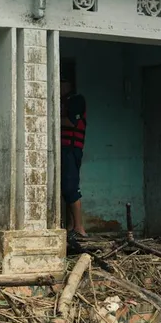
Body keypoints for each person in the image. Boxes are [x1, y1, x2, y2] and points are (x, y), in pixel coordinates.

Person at [60, 79, 88, 239]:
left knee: (71, 187)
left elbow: (72, 122)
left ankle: (79, 227)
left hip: (71, 149)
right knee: (65, 188)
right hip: (62, 150)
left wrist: (50, 118)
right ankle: (72, 226)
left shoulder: (77, 100)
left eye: (62, 83)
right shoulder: (62, 101)